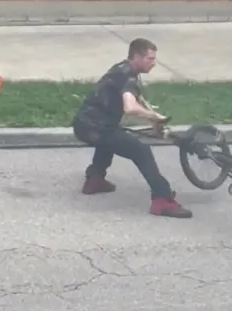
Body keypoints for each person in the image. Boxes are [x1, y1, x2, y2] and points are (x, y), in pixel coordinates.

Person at [72, 37, 192, 219]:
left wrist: (154, 122)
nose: (153, 63)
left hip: (83, 124)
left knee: (111, 138)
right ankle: (163, 200)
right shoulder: (128, 77)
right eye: (150, 59)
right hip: (96, 127)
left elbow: (139, 101)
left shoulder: (122, 69)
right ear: (136, 56)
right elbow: (130, 107)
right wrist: (154, 117)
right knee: (141, 150)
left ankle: (95, 180)